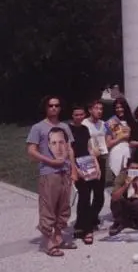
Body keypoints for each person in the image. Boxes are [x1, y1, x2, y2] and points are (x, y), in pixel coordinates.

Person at [27, 96, 77, 257]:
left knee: (63, 208)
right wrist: (50, 161)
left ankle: (58, 237)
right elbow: (31, 151)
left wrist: (74, 169)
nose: (54, 108)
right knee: (48, 208)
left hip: (65, 172)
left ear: (60, 108)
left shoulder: (64, 127)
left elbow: (69, 149)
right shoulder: (38, 127)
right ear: (46, 108)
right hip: (49, 174)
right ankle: (48, 243)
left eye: (57, 105)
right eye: (51, 105)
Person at [68, 105, 98, 245]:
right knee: (84, 195)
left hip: (87, 164)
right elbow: (69, 151)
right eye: (76, 115)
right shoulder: (68, 130)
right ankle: (88, 230)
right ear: (72, 116)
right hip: (76, 166)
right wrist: (75, 169)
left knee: (85, 197)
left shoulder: (85, 129)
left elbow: (89, 147)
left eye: (81, 114)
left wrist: (96, 165)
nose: (79, 117)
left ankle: (79, 225)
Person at [82, 100, 110, 229]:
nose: (99, 111)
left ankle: (93, 216)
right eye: (96, 108)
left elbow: (108, 139)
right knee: (87, 191)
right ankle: (87, 220)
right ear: (90, 110)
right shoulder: (84, 124)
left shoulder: (103, 124)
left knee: (99, 193)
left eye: (101, 109)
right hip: (87, 160)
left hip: (101, 159)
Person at [109, 160, 138, 235]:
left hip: (135, 204)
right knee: (115, 200)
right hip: (123, 204)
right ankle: (119, 222)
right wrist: (125, 186)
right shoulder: (122, 176)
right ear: (127, 168)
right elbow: (114, 196)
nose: (135, 170)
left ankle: (134, 220)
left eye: (137, 168)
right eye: (132, 168)